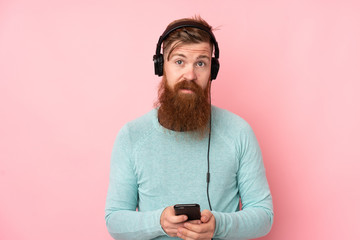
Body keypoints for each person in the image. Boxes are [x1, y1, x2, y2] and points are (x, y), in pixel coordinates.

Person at [105, 16, 273, 240]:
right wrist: (158, 222)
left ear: (212, 71)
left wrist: (218, 225)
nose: (190, 75)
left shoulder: (239, 132)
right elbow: (114, 220)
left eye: (201, 63)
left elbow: (264, 216)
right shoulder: (131, 136)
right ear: (161, 66)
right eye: (179, 62)